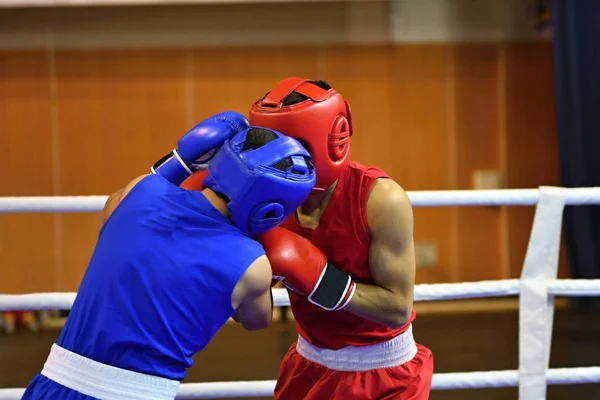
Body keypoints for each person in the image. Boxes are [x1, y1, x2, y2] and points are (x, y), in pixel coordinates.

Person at [22, 112, 316, 400]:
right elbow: (257, 320)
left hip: (52, 383)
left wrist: (179, 163)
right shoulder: (252, 266)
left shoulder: (141, 192)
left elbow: (113, 208)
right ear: (272, 209)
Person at [181, 78, 434, 399]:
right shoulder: (265, 196)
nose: (278, 156)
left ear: (329, 141)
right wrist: (231, 270)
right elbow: (250, 312)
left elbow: (398, 308)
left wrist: (320, 280)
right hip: (308, 365)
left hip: (385, 374)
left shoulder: (380, 200)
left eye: (291, 144)